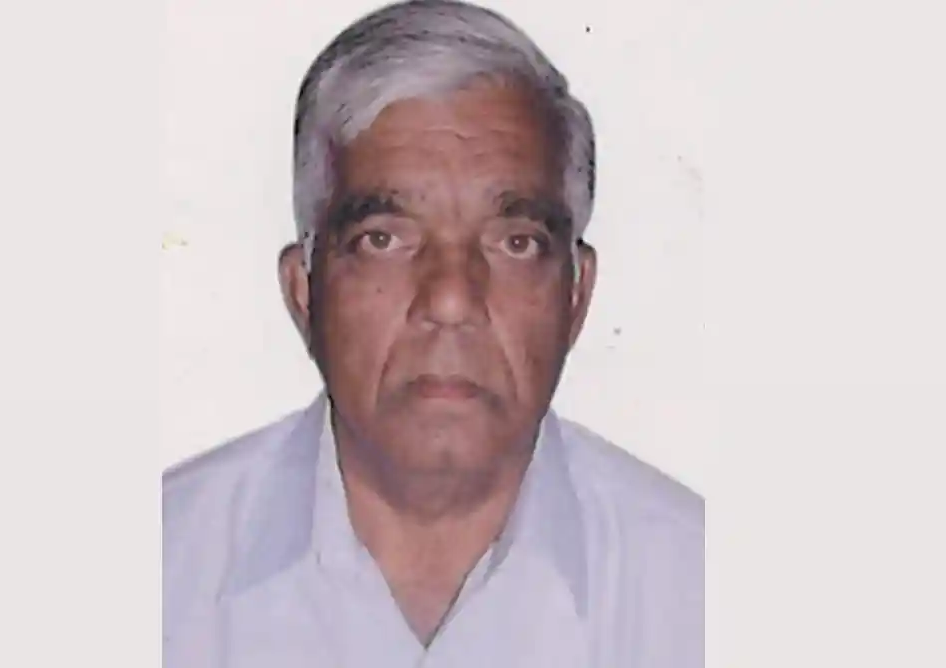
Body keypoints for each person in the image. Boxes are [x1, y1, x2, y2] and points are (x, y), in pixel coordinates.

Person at [163, 1, 703, 665]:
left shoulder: (700, 595)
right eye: (383, 239)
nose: (450, 300)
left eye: (515, 242)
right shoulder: (164, 572)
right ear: (304, 289)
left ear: (577, 294)